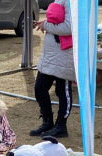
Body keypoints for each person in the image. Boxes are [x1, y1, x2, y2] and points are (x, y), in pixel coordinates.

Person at [29, 0, 75, 138]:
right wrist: (46, 22)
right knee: (40, 88)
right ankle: (47, 121)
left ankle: (61, 125)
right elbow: (58, 19)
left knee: (62, 91)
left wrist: (46, 25)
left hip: (65, 53)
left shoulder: (73, 2)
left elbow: (69, 26)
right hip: (50, 54)